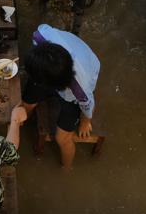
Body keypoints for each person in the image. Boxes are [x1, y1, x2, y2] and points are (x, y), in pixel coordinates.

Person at [21, 23, 100, 170]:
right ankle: (21, 124)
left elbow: (88, 105)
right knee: (26, 104)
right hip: (50, 67)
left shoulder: (80, 89)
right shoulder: (40, 36)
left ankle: (66, 169)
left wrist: (85, 122)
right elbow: (43, 27)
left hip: (82, 70)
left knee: (62, 138)